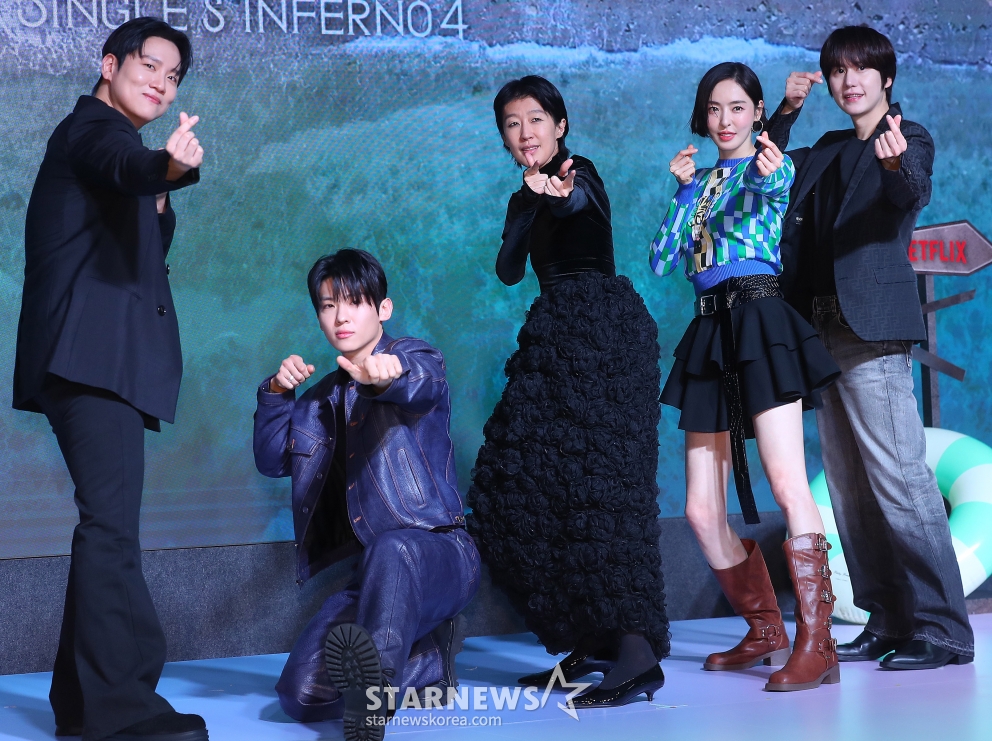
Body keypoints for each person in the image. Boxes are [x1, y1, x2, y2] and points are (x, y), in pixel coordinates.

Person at [11, 17, 205, 741]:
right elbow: (122, 162)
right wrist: (166, 169)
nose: (162, 83)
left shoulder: (110, 145)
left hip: (95, 359)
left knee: (106, 525)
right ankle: (120, 712)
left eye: (173, 77)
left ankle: (81, 704)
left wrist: (160, 191)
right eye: (150, 66)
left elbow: (138, 228)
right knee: (110, 528)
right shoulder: (94, 129)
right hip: (89, 358)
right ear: (109, 64)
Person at [764, 25, 974, 670]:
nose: (849, 80)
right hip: (818, 330)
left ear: (886, 78)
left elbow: (911, 190)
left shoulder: (908, 137)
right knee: (850, 487)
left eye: (861, 69)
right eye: (837, 71)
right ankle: (887, 619)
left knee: (901, 480)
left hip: (872, 331)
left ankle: (943, 630)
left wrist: (892, 162)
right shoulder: (826, 149)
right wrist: (786, 111)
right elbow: (764, 162)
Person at [467, 75, 668, 708]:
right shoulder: (521, 195)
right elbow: (508, 270)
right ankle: (596, 636)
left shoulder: (583, 175)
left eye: (535, 120)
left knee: (603, 493)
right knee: (517, 486)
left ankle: (636, 654)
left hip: (604, 331)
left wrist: (554, 196)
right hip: (555, 335)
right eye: (511, 124)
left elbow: (577, 203)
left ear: (560, 126)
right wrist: (529, 203)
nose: (524, 133)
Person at [650, 62, 842, 692]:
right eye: (714, 109)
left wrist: (765, 162)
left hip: (760, 321)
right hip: (710, 330)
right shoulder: (699, 184)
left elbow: (770, 179)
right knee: (700, 509)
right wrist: (684, 192)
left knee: (787, 483)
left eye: (737, 107)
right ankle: (765, 630)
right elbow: (662, 261)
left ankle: (819, 645)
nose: (724, 120)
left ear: (758, 112)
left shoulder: (769, 165)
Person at [253, 249, 479, 740]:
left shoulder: (414, 357)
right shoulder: (317, 403)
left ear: (383, 308)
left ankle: (370, 708)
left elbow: (423, 383)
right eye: (327, 305)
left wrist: (385, 378)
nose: (340, 316)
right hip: (375, 580)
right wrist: (276, 393)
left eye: (354, 302)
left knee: (394, 548)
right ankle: (429, 661)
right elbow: (272, 461)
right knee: (299, 695)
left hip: (441, 554)